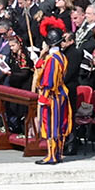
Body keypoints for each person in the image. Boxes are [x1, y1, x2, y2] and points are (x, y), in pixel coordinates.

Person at [33, 19, 72, 165]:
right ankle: (58, 153)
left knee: (51, 125)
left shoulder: (52, 59)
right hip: (60, 94)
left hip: (51, 95)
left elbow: (48, 80)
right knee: (59, 124)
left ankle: (52, 156)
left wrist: (44, 96)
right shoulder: (61, 56)